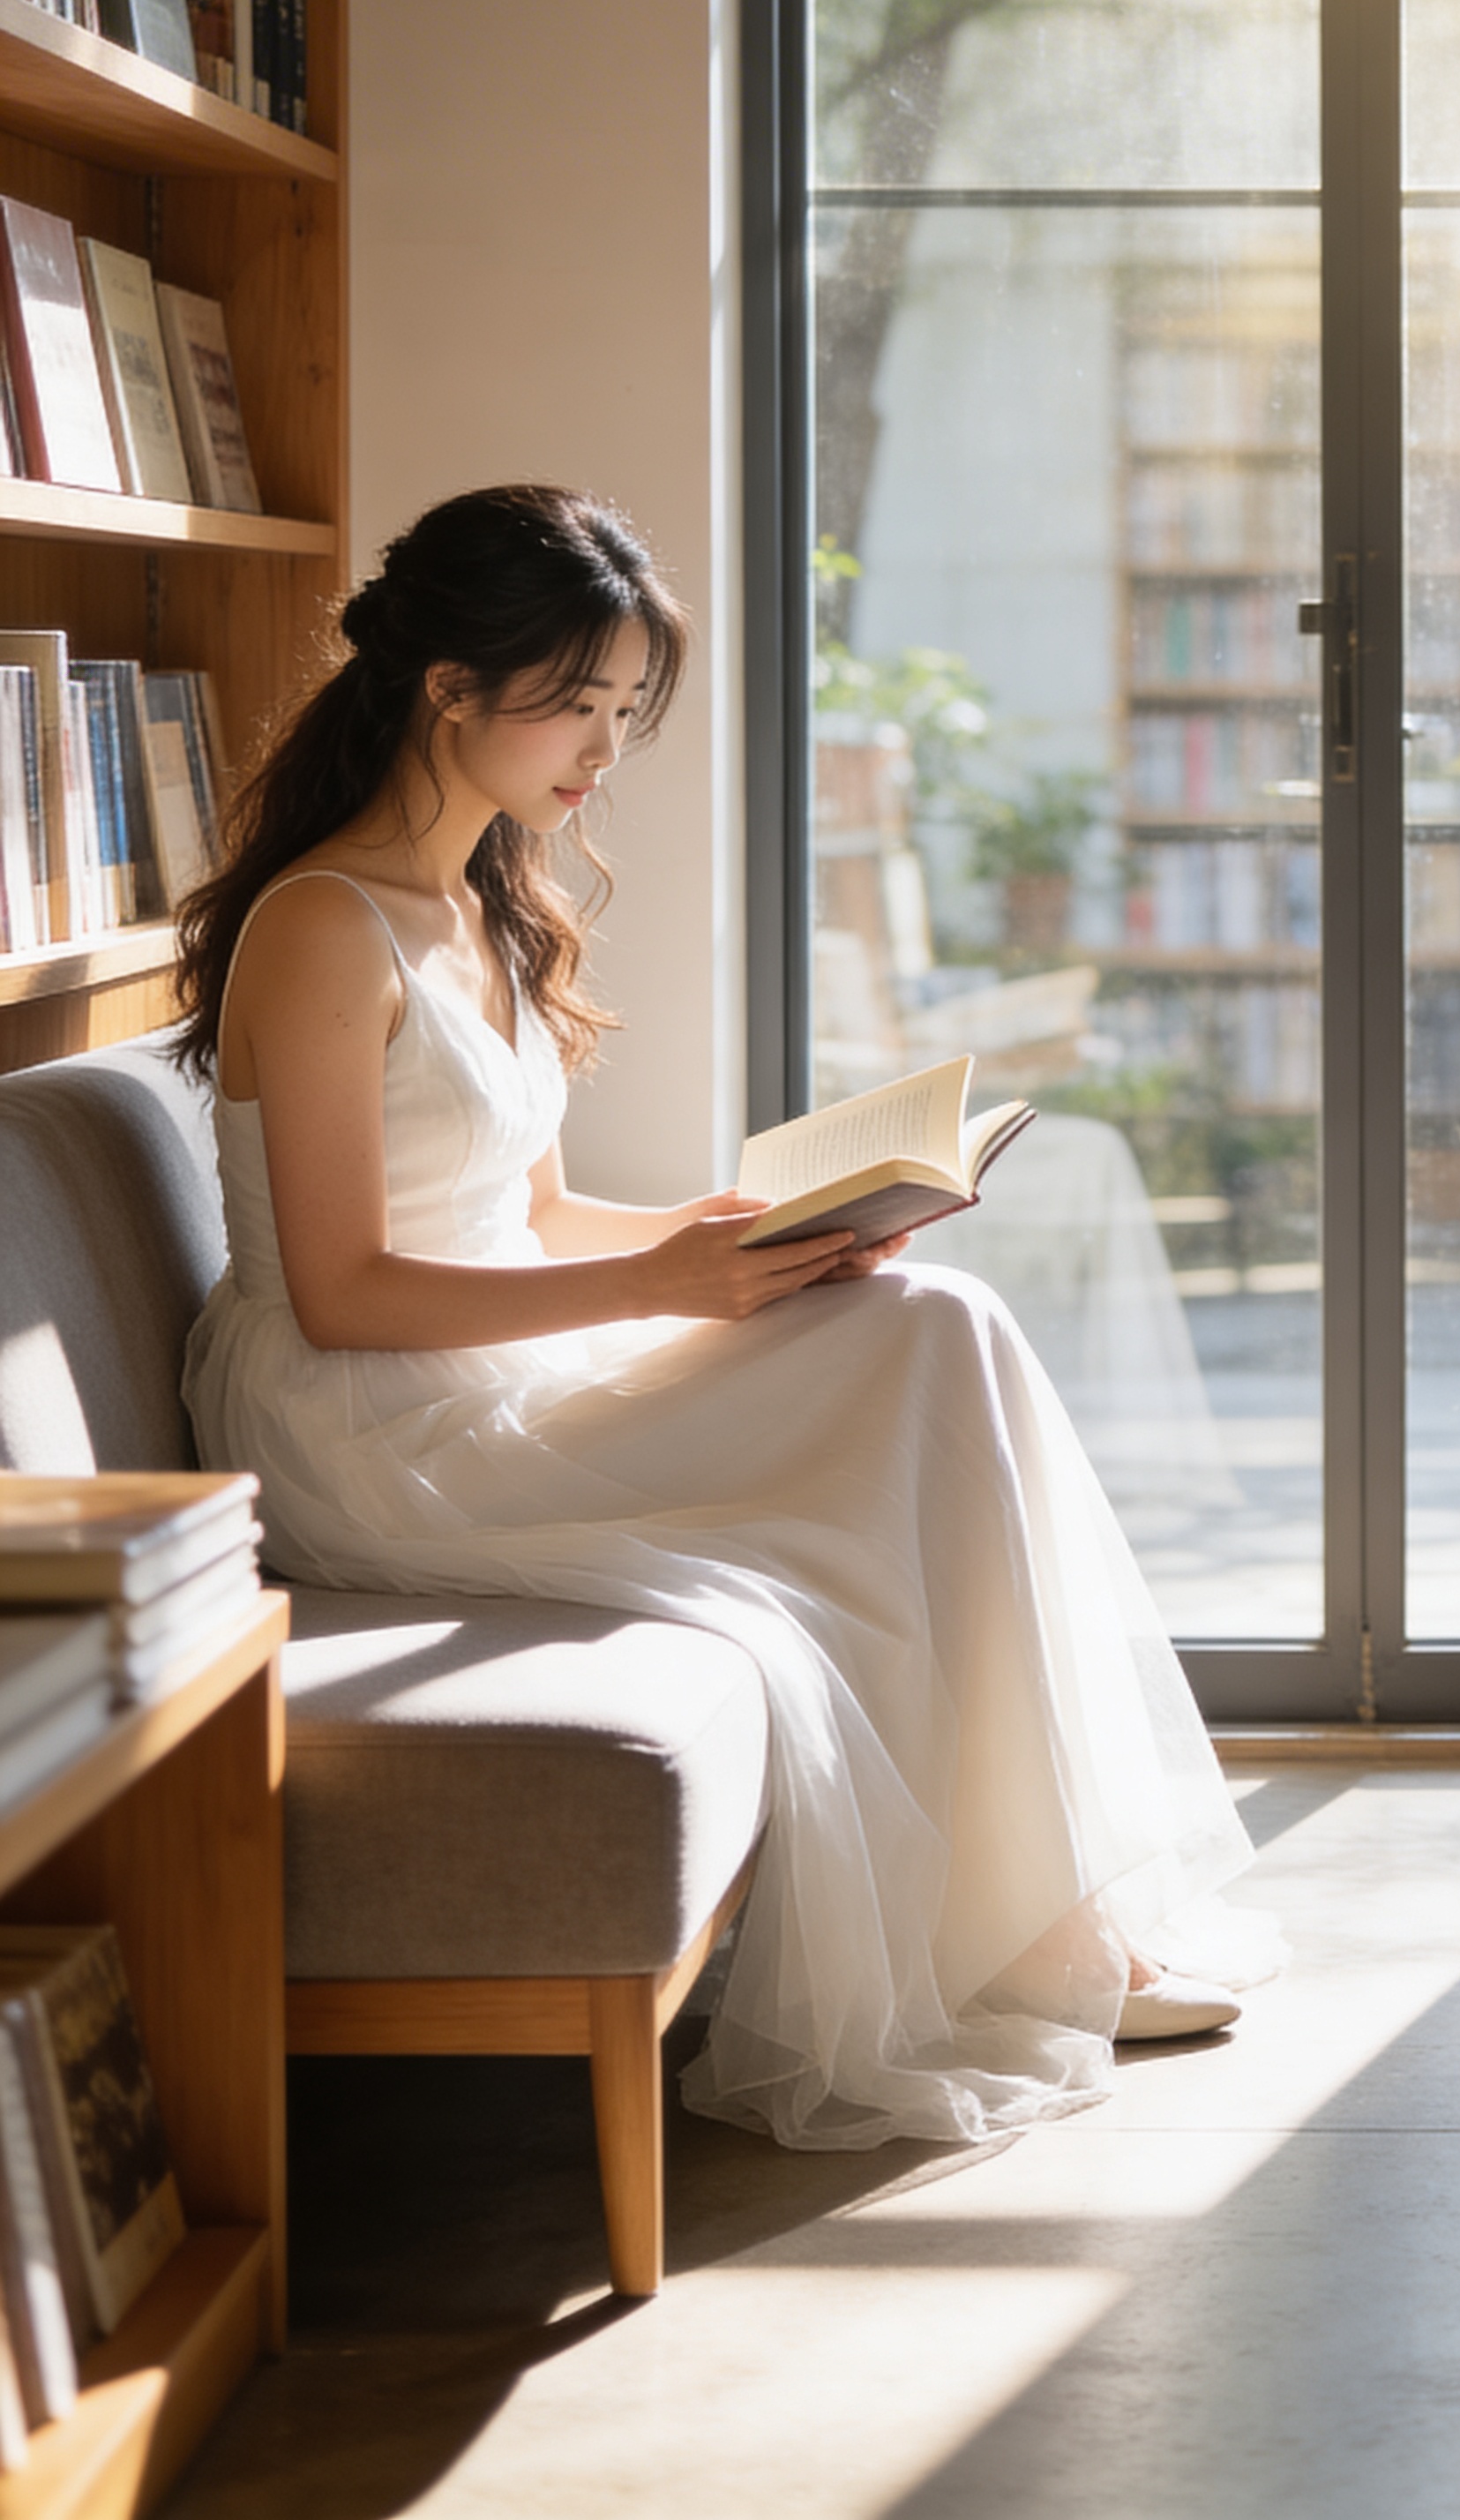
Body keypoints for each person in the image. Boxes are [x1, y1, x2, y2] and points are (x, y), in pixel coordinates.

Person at [175, 484, 1260, 2155]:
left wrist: (714, 1228)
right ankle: (1037, 1931)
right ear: (449, 688)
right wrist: (673, 1286)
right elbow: (342, 1289)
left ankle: (1038, 1912)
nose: (604, 751)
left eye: (624, 711)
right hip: (373, 1421)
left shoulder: (481, 900)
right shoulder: (323, 925)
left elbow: (524, 1213)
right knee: (926, 1349)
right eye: (575, 705)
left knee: (926, 1326)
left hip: (494, 1352)